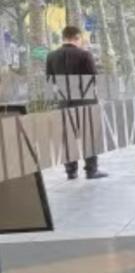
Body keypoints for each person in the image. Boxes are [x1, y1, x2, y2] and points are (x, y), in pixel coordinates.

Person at [46, 25, 107, 180]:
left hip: (64, 101)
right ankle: (91, 170)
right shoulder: (85, 55)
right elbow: (93, 78)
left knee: (68, 137)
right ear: (77, 37)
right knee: (89, 135)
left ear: (63, 38)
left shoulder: (51, 56)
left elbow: (49, 81)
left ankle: (71, 171)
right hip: (85, 100)